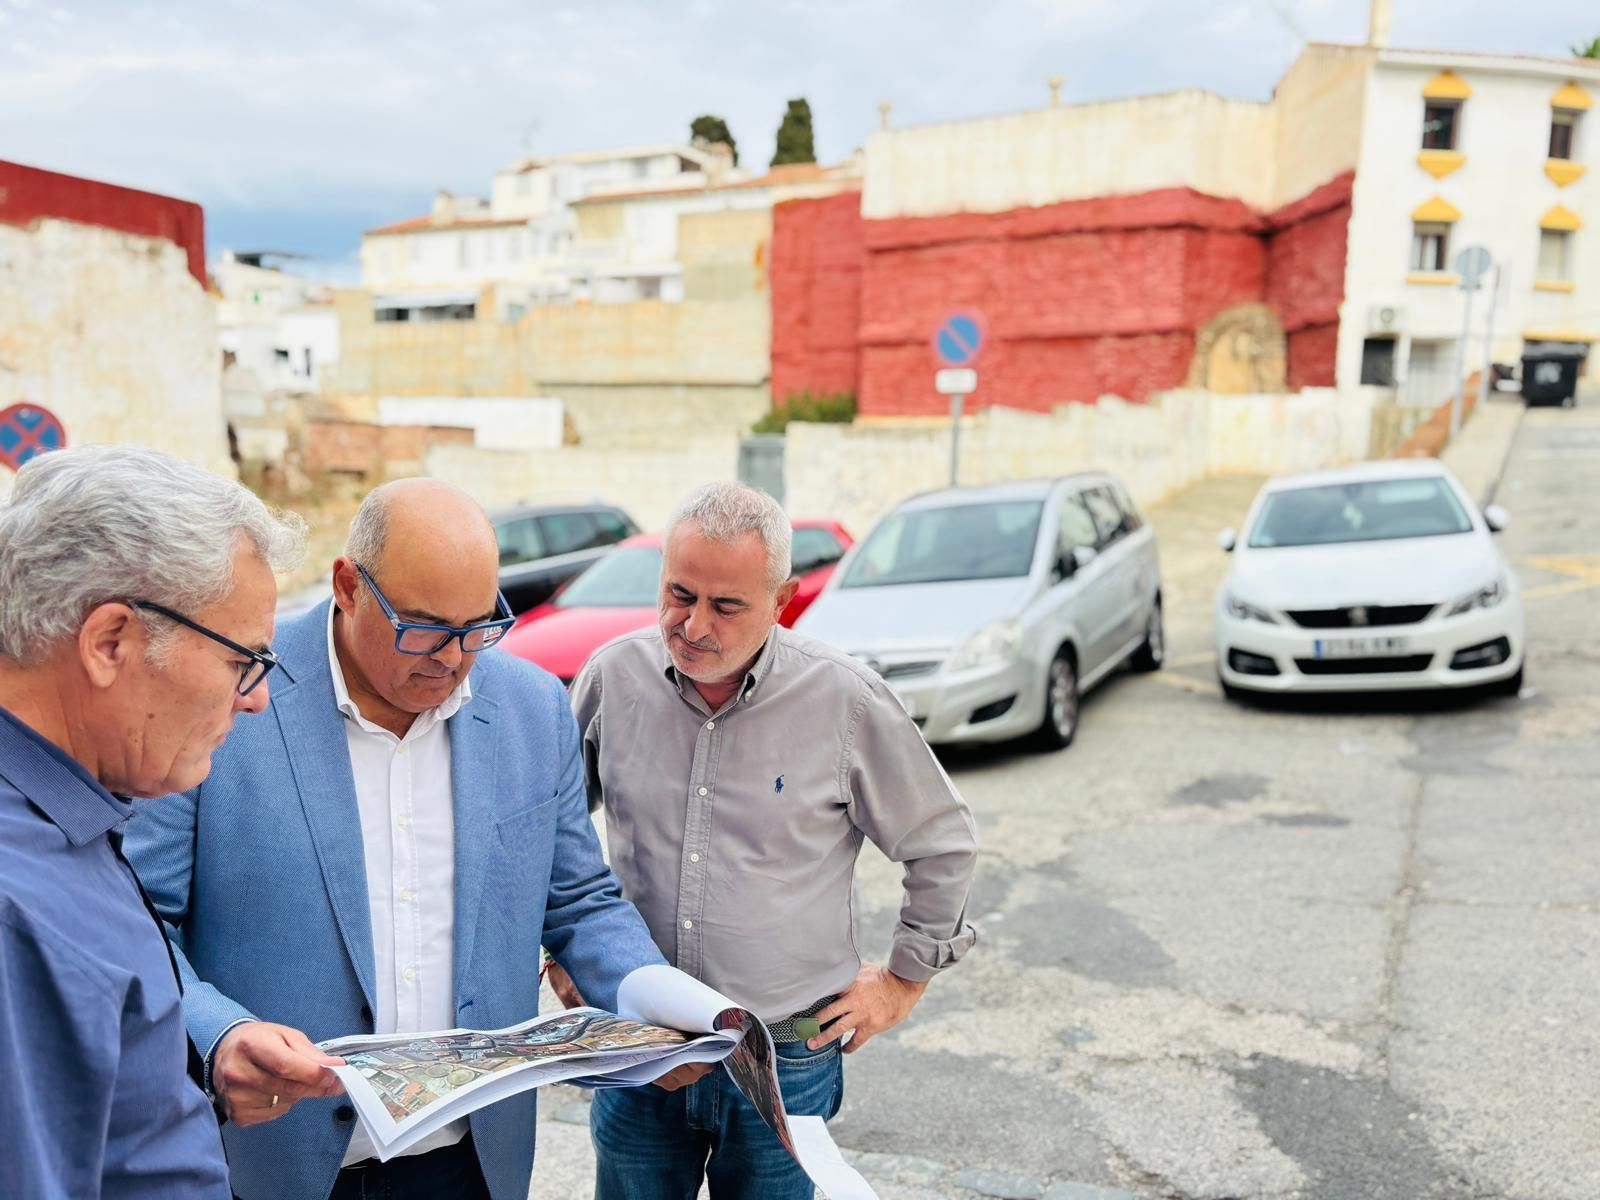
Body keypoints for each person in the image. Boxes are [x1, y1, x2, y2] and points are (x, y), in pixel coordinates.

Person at [125, 479, 670, 1200]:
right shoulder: (231, 690)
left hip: (471, 1162)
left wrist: (656, 995)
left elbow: (577, 902)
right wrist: (217, 1035)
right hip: (271, 1164)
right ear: (347, 585)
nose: (452, 658)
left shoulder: (533, 709)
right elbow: (135, 921)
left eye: (478, 627)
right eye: (424, 627)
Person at [567, 481, 980, 1200]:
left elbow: (941, 842)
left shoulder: (845, 700)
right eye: (677, 593)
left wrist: (903, 982)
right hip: (641, 1052)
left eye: (725, 606)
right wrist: (564, 951)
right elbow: (553, 832)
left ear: (782, 598)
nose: (692, 625)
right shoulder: (612, 678)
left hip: (787, 1055)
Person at [0, 444, 305, 1199]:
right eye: (243, 662)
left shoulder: (66, 813)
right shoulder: (17, 905)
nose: (255, 699)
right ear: (111, 641)